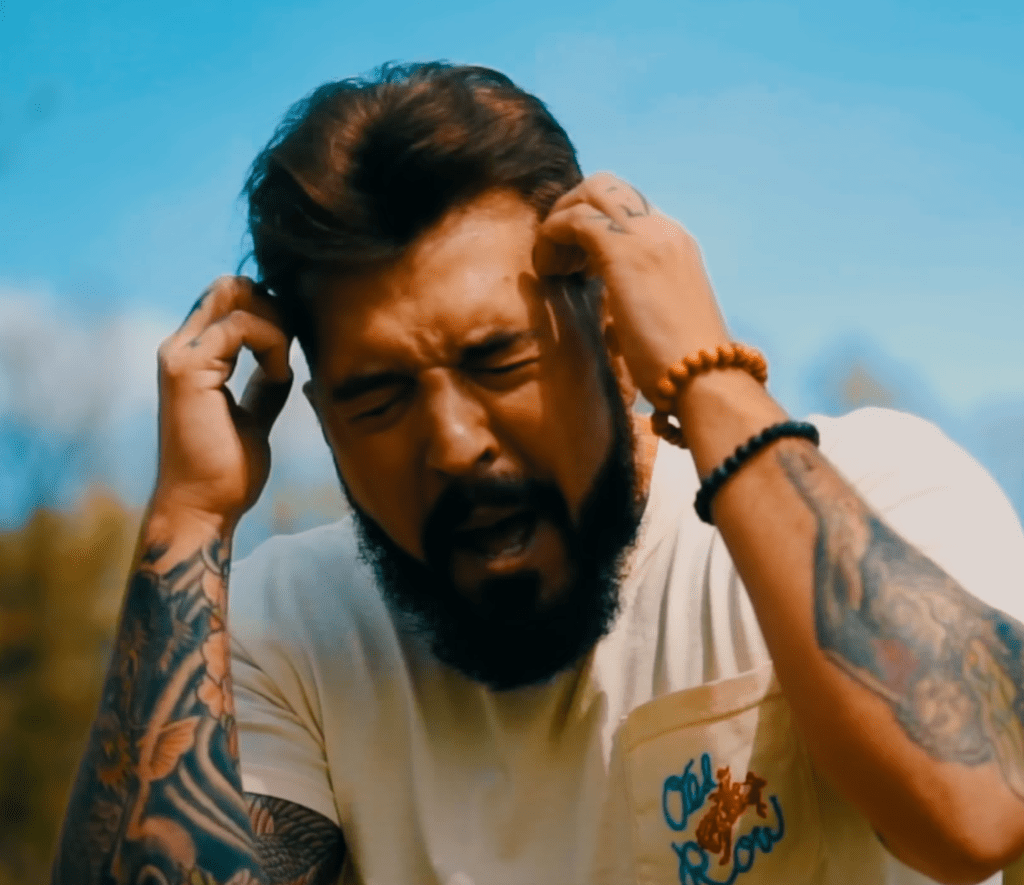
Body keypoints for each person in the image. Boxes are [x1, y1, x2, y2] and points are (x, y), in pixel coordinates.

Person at [52, 61, 1024, 885]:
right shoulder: (286, 625)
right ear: (326, 421)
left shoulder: (875, 489)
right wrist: (185, 520)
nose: (453, 443)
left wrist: (712, 378)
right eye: (379, 398)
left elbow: (977, 814)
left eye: (498, 361)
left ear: (611, 334)